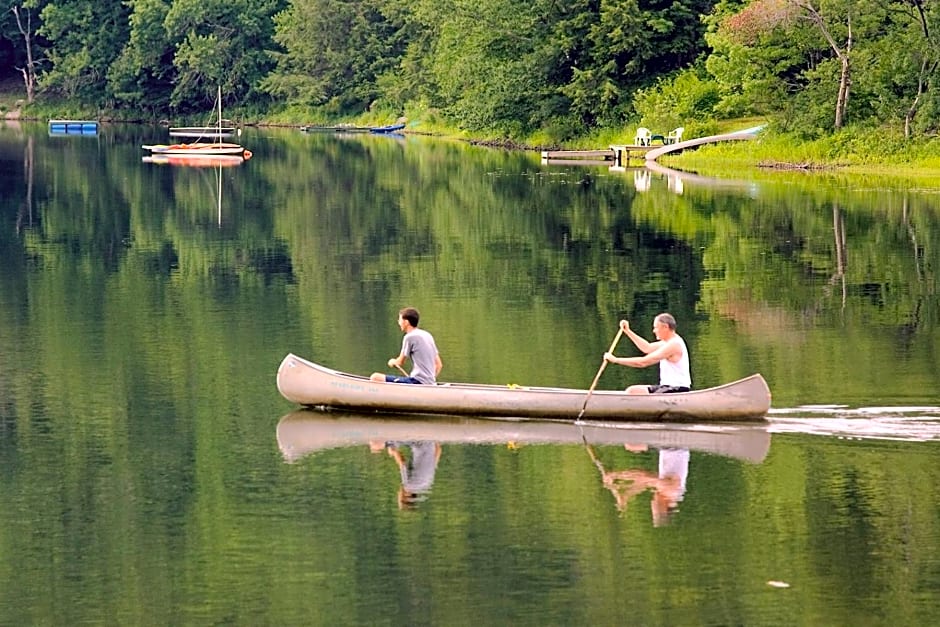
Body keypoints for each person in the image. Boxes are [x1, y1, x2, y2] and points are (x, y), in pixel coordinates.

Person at [603, 313, 691, 394]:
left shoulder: (674, 345)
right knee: (632, 391)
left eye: (656, 327)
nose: (654, 331)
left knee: (633, 392)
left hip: (677, 389)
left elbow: (642, 362)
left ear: (665, 327)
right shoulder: (667, 342)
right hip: (666, 387)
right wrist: (627, 331)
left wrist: (616, 360)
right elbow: (647, 348)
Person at [370, 306, 443, 384]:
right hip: (430, 383)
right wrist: (429, 383)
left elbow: (400, 362)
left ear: (406, 322)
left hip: (417, 381)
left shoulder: (409, 337)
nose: (398, 322)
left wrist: (392, 362)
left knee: (375, 377)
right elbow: (439, 365)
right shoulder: (427, 335)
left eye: (400, 320)